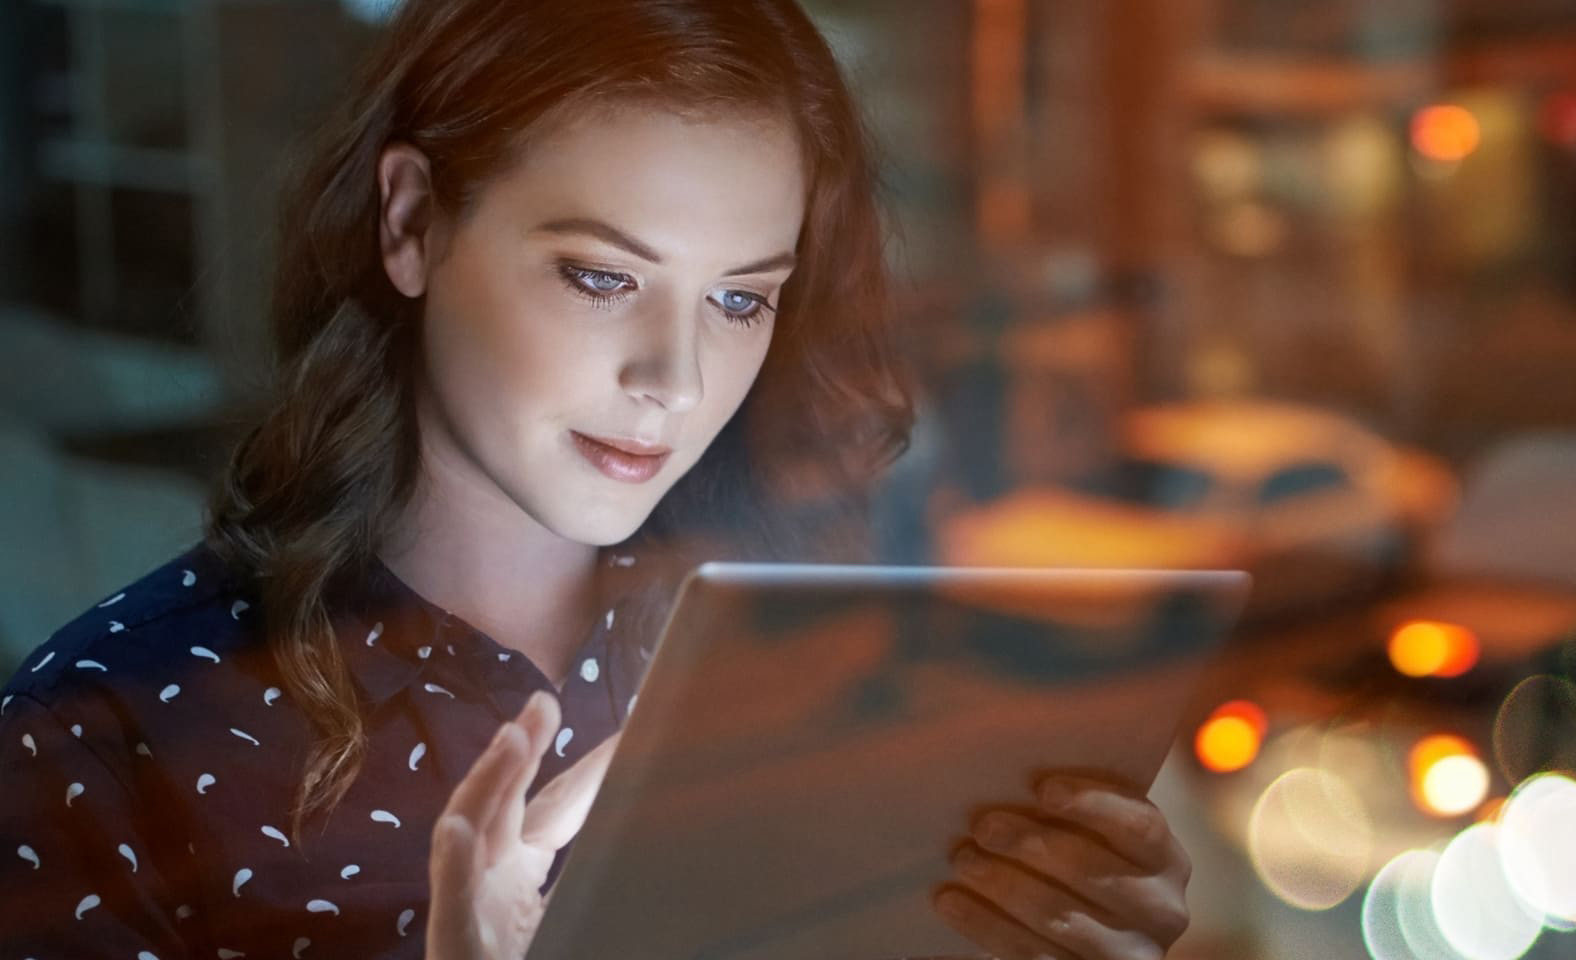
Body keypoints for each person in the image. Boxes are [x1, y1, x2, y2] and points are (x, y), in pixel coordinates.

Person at [0, 1, 1192, 958]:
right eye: (599, 277)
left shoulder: (820, 667)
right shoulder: (106, 736)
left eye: (739, 299)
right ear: (412, 223)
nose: (673, 380)